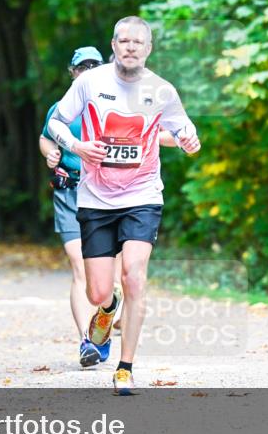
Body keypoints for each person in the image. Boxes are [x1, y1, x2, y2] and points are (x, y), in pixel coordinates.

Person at [48, 16, 201, 394]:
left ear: (148, 49)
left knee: (134, 275)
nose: (130, 47)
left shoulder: (162, 90)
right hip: (96, 199)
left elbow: (183, 127)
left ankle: (125, 367)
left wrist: (189, 138)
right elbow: (56, 124)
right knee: (98, 292)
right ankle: (106, 307)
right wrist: (77, 146)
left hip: (142, 196)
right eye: (123, 40)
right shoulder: (90, 82)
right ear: (113, 45)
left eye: (138, 42)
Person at [40, 47, 178, 369]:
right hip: (72, 191)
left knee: (123, 274)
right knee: (82, 271)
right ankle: (87, 341)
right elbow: (47, 135)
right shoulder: (64, 105)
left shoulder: (117, 98)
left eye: (93, 65)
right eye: (80, 66)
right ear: (72, 72)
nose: (87, 71)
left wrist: (179, 136)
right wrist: (53, 152)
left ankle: (111, 320)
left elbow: (153, 130)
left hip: (121, 195)